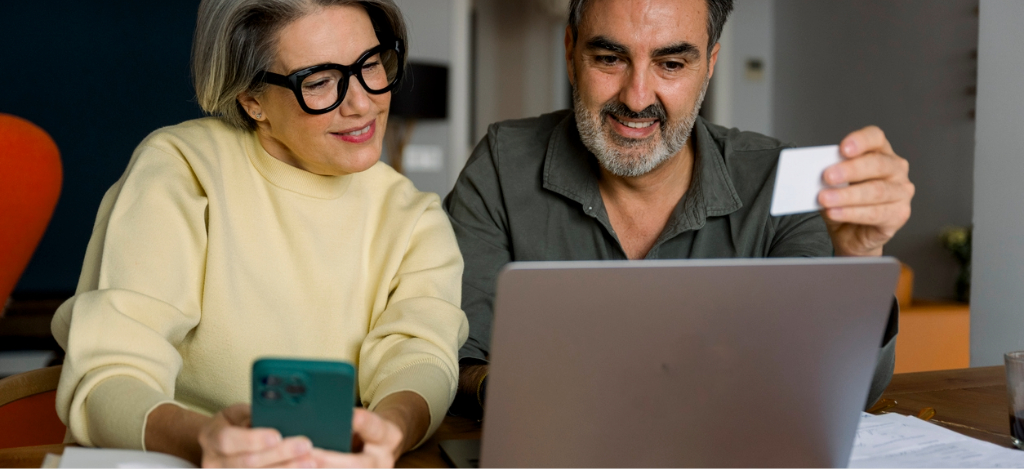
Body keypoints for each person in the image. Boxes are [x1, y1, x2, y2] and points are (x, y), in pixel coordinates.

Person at [444, 0, 914, 418]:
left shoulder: (780, 184)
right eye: (609, 58)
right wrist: (518, 395)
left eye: (670, 63)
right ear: (570, 51)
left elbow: (845, 393)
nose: (637, 97)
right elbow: (457, 352)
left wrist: (858, 258)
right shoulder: (503, 165)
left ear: (709, 64)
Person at [50, 0, 467, 467]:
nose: (363, 103)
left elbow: (420, 357)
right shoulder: (181, 170)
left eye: (371, 65)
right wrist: (202, 439)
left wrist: (389, 429)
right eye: (320, 81)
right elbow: (109, 374)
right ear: (251, 99)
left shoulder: (414, 217)